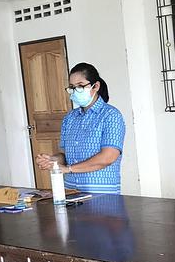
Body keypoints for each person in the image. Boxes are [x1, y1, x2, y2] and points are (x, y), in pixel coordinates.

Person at [36, 62, 126, 195]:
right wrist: (51, 160)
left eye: (80, 86)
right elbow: (65, 156)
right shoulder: (70, 118)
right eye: (72, 87)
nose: (75, 91)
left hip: (101, 193)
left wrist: (68, 169)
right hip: (71, 191)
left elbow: (108, 157)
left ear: (96, 86)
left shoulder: (111, 115)